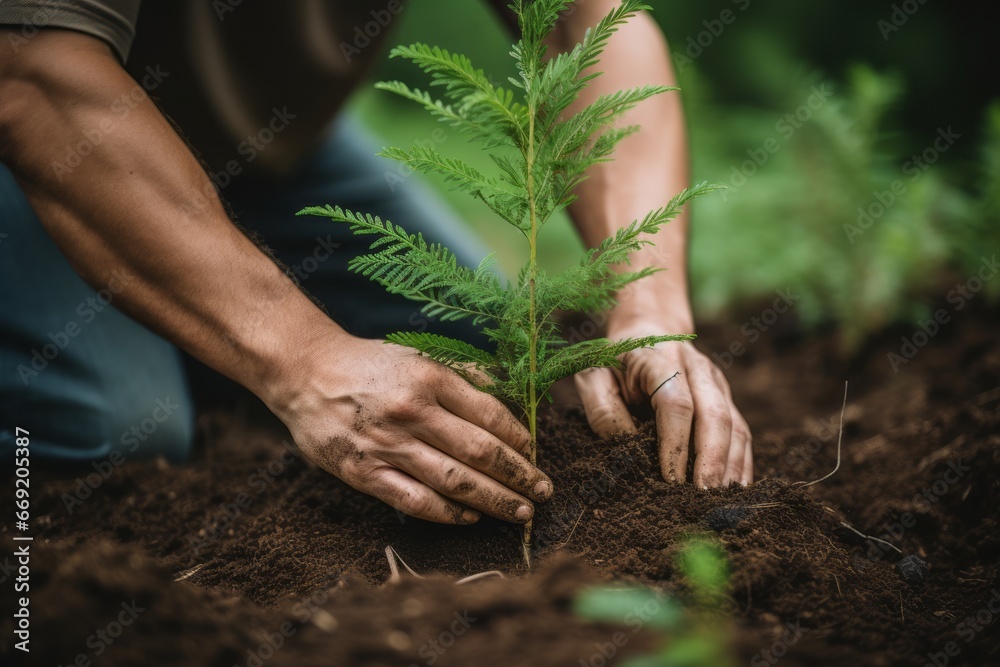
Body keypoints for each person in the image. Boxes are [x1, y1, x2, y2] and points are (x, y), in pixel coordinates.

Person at [0, 0, 752, 527]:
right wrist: (302, 359)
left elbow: (590, 21)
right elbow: (31, 68)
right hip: (48, 131)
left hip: (265, 146)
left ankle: (183, 323)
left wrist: (645, 302)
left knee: (490, 363)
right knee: (113, 427)